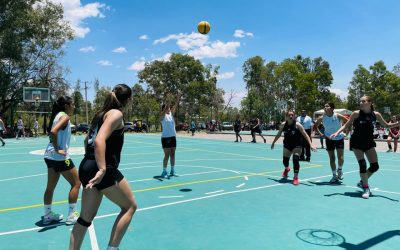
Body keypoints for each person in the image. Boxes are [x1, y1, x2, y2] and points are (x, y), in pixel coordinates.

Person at [70, 84, 137, 250]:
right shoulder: (116, 114)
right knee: (129, 207)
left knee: (85, 218)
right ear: (128, 99)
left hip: (87, 165)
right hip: (103, 167)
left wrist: (92, 162)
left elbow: (88, 140)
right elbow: (99, 140)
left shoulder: (100, 114)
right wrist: (102, 169)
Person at [331, 96, 400, 199]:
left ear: (370, 102)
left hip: (369, 142)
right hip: (357, 142)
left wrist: (398, 123)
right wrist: (337, 132)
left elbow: (386, 125)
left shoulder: (375, 114)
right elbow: (346, 125)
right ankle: (366, 187)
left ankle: (362, 181)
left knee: (375, 166)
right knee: (362, 164)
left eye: (363, 101)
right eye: (360, 101)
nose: (361, 103)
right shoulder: (356, 114)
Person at [43, 96, 81, 225]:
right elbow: (53, 132)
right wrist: (58, 149)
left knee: (50, 187)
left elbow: (52, 132)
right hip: (60, 157)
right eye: (73, 104)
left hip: (49, 156)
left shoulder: (57, 115)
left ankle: (47, 215)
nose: (74, 106)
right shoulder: (64, 117)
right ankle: (71, 215)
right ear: (66, 105)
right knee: (76, 183)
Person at [271, 110, 317, 185]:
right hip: (287, 145)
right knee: (285, 161)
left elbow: (305, 135)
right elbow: (278, 134)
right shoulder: (283, 125)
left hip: (297, 145)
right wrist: (273, 142)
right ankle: (287, 169)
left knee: (295, 159)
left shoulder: (298, 125)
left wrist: (311, 145)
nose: (291, 116)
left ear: (294, 116)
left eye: (292, 115)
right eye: (289, 115)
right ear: (286, 117)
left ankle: (295, 177)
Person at [314, 103, 349, 183]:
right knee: (332, 158)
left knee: (341, 158)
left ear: (332, 108)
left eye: (327, 106)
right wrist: (321, 134)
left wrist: (346, 133)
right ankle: (334, 176)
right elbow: (315, 126)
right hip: (329, 139)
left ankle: (339, 170)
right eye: (324, 106)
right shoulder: (322, 118)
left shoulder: (337, 116)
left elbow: (348, 122)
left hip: (339, 138)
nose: (325, 107)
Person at [160, 100, 178, 178]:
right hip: (165, 138)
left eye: (169, 108)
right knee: (166, 155)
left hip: (173, 137)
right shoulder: (162, 116)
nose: (169, 109)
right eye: (167, 108)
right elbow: (164, 111)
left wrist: (177, 97)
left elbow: (175, 106)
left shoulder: (171, 115)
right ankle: (164, 171)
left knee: (173, 154)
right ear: (164, 109)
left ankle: (172, 170)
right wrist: (168, 101)